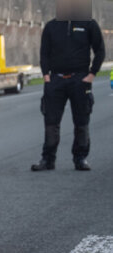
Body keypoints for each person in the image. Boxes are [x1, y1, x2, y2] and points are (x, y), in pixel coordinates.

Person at [32, 4, 105, 171]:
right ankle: (48, 160)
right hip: (55, 80)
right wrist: (46, 75)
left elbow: (100, 50)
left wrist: (92, 74)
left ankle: (80, 159)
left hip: (80, 79)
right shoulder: (51, 26)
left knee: (81, 121)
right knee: (51, 122)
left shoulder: (89, 24)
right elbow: (44, 52)